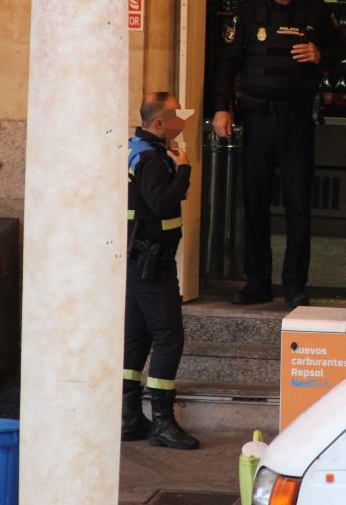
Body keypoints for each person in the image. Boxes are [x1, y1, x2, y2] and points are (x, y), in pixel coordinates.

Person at [212, 0, 345, 308]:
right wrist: (221, 108)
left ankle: (294, 284)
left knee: (299, 205)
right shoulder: (249, 10)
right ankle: (257, 281)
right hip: (256, 118)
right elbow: (227, 63)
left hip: (297, 118)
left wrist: (320, 54)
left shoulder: (315, 10)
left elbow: (340, 51)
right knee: (255, 204)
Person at [123, 92, 198, 450]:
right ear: (158, 124)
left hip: (134, 259)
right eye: (175, 119)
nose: (180, 123)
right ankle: (163, 423)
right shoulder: (153, 158)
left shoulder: (132, 148)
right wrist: (184, 170)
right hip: (152, 260)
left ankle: (128, 417)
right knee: (169, 336)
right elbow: (162, 202)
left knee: (137, 338)